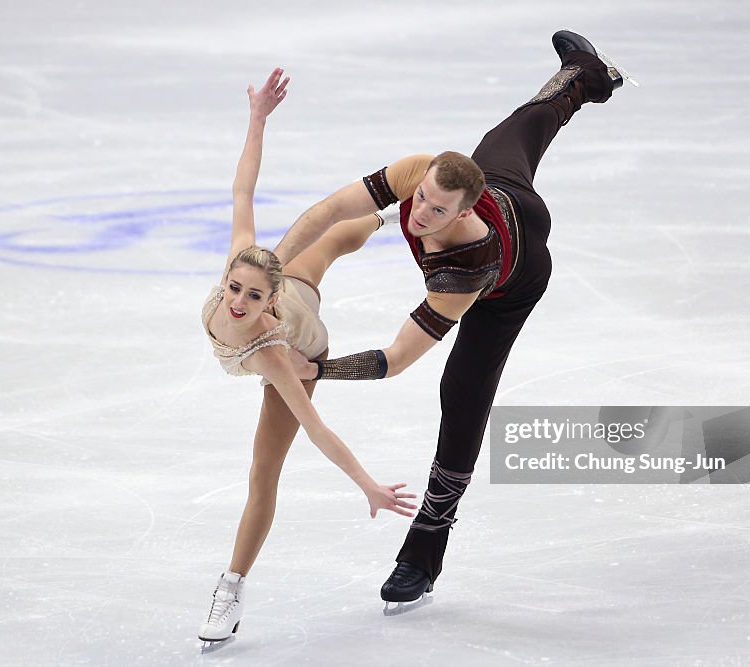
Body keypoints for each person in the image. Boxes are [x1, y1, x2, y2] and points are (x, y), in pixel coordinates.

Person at [273, 31, 627, 606]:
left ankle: (425, 547)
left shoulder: (466, 268)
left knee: (461, 392)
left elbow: (395, 360)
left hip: (513, 280)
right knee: (518, 129)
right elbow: (332, 209)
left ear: (465, 210)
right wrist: (270, 267)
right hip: (504, 191)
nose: (419, 215)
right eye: (420, 200)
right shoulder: (423, 175)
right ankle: (586, 76)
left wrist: (316, 370)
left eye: (437, 212)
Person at [198, 67, 417, 643]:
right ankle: (386, 216)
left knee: (262, 471)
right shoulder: (241, 272)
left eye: (253, 295)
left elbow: (317, 429)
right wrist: (257, 118)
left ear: (271, 299)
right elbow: (243, 187)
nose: (239, 302)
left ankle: (231, 585)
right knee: (333, 240)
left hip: (304, 340)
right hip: (296, 283)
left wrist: (367, 484)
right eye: (236, 289)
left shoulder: (274, 353)